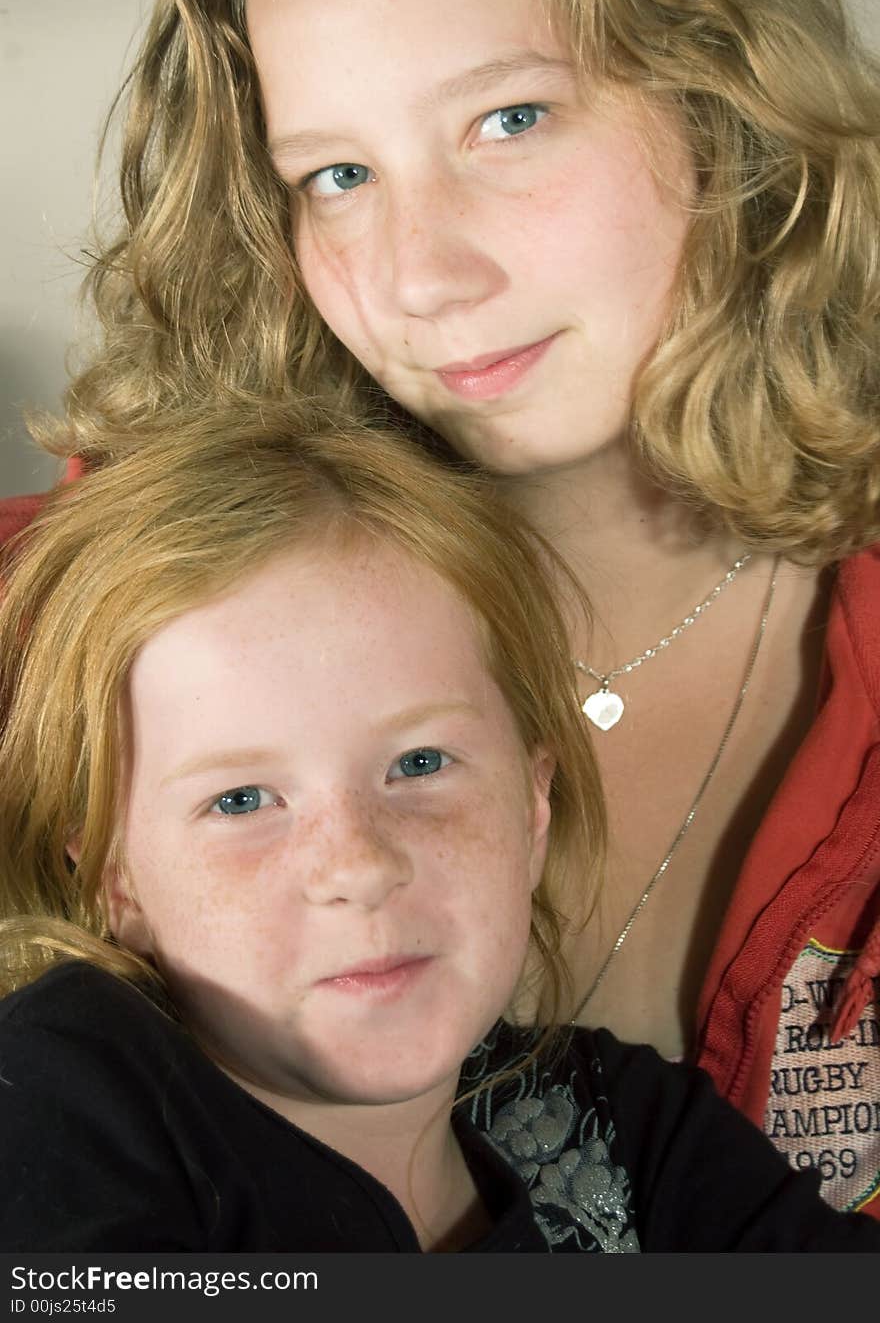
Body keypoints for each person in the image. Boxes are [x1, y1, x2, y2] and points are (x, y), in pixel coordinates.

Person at [4, 0, 879, 1214]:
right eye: (338, 173)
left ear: (725, 108)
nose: (421, 274)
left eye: (508, 119)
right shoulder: (42, 625)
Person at [0, 403, 878, 1253]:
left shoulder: (627, 1127)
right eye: (240, 800)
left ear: (534, 805)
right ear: (118, 877)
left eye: (419, 764)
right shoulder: (61, 1096)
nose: (359, 863)